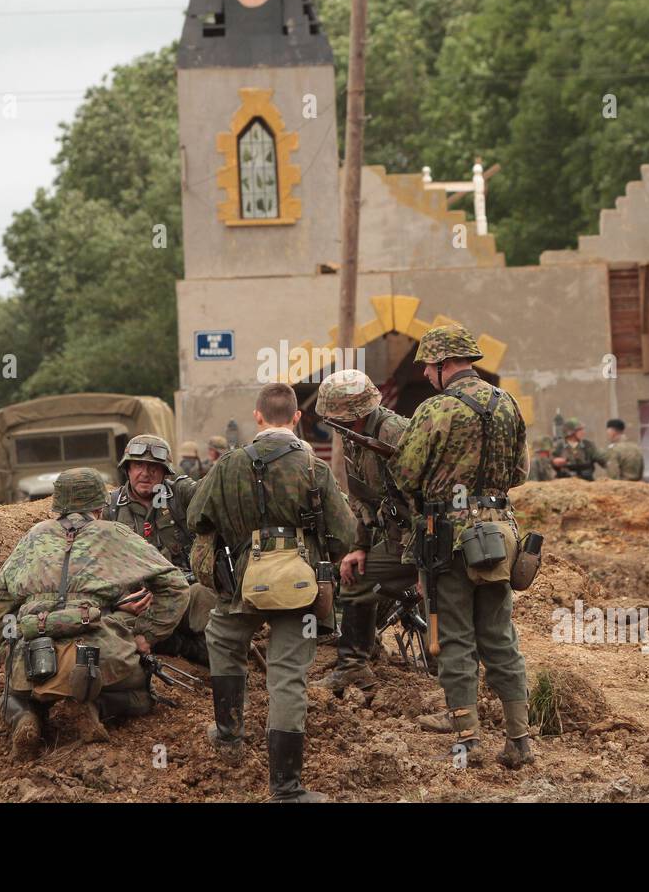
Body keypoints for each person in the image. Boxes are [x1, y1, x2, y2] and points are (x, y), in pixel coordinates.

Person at [187, 382, 356, 801]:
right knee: (287, 679)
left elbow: (196, 517)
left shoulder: (229, 464)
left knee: (223, 639)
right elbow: (345, 534)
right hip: (300, 588)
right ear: (297, 418)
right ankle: (286, 788)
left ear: (257, 416)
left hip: (244, 581)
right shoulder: (314, 469)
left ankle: (228, 735)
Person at [389, 324, 534, 769]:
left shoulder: (436, 409)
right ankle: (519, 741)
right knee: (500, 638)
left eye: (427, 368)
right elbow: (520, 473)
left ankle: (468, 742)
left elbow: (404, 475)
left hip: (447, 538)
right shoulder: (507, 403)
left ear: (440, 365)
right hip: (500, 536)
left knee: (454, 637)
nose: (427, 375)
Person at [0, 468, 189, 760]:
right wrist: (146, 634)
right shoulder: (113, 533)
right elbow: (176, 585)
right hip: (97, 651)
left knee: (12, 696)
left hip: (34, 653)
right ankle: (93, 707)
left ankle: (27, 718)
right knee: (142, 694)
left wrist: (2, 649)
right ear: (100, 506)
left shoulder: (34, 536)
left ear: (56, 506)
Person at [311, 369, 415, 692]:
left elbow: (422, 495)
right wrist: (360, 547)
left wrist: (422, 560)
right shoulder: (355, 439)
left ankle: (355, 665)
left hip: (420, 540)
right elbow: (363, 501)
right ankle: (355, 667)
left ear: (353, 413)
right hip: (395, 537)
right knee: (354, 578)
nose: (331, 423)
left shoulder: (392, 432)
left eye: (334, 417)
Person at [104, 434, 214, 665]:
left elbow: (211, 494)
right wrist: (120, 599)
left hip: (181, 594)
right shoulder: (109, 509)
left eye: (154, 467)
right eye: (138, 465)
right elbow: (95, 569)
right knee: (107, 630)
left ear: (165, 472)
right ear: (128, 469)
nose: (145, 472)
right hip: (136, 602)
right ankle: (179, 645)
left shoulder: (179, 497)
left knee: (208, 599)